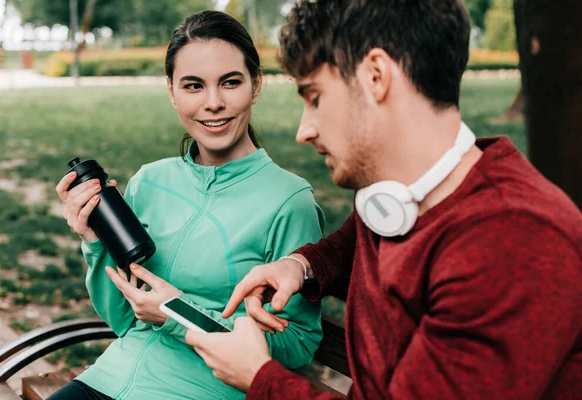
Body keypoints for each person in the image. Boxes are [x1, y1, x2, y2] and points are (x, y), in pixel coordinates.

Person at [185, 0, 582, 399]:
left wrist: (259, 377)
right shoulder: (402, 196)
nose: (304, 130)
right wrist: (302, 265)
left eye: (315, 97)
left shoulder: (512, 242)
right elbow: (358, 237)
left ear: (376, 76)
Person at [52, 10, 324, 400]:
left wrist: (178, 315)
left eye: (230, 83)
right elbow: (124, 320)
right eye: (193, 86)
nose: (213, 103)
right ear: (172, 92)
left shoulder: (289, 201)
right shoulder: (149, 181)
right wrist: (96, 242)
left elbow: (297, 344)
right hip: (106, 380)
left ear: (256, 85)